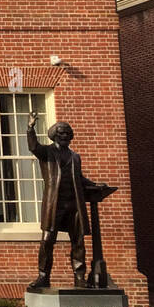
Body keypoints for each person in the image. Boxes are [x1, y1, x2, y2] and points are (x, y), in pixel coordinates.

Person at [25, 112, 108, 290]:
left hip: (74, 204)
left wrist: (94, 185)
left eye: (67, 133)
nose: (64, 135)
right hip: (54, 204)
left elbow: (78, 178)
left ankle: (79, 277)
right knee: (47, 240)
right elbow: (33, 147)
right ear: (54, 134)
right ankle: (43, 276)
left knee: (78, 241)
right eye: (61, 132)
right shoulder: (47, 152)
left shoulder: (75, 157)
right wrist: (30, 128)